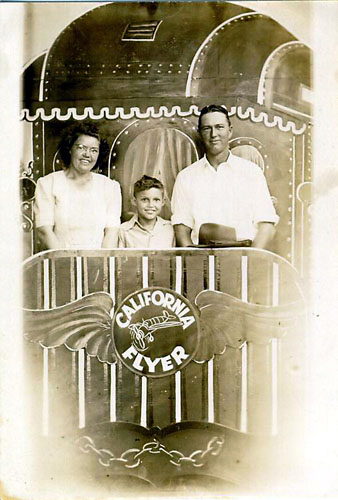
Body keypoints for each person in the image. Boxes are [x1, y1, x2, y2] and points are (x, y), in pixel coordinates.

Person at [171, 104, 279, 248]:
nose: (213, 134)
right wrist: (193, 262)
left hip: (244, 254)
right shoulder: (186, 177)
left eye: (219, 127)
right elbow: (181, 229)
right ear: (200, 133)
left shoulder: (251, 172)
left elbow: (267, 225)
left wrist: (250, 260)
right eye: (207, 128)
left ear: (230, 131)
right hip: (201, 257)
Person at [34, 122, 121, 249]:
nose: (87, 154)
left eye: (94, 150)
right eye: (81, 147)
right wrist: (64, 261)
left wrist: (102, 263)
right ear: (70, 149)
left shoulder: (110, 187)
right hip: (59, 261)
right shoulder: (48, 183)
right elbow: (44, 231)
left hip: (99, 263)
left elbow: (112, 233)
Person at [118, 175, 175, 248]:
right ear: (134, 201)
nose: (151, 205)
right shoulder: (123, 231)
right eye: (145, 200)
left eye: (156, 200)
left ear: (163, 202)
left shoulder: (170, 229)